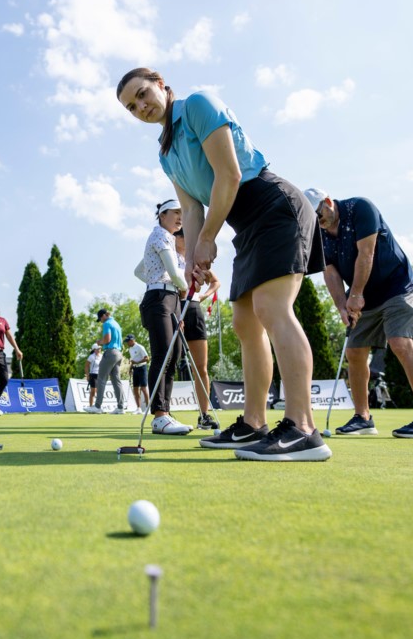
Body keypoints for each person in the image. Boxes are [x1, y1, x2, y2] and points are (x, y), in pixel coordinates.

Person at [117, 68, 331, 461]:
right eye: (132, 107)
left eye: (144, 95)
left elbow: (229, 175)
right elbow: (191, 209)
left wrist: (209, 240)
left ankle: (303, 429)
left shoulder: (198, 105)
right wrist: (192, 261)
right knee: (245, 323)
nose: (141, 107)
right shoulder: (166, 153)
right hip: (245, 224)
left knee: (272, 309)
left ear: (162, 85)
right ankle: (253, 424)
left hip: (273, 205)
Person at [306, 189, 413, 439]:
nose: (319, 222)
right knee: (354, 351)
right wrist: (341, 306)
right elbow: (330, 272)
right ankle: (363, 418)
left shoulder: (360, 208)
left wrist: (357, 294)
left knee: (400, 344)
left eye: (319, 215)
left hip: (396, 285)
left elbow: (366, 253)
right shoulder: (318, 233)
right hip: (362, 293)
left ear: (328, 202)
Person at [133, 200, 196, 434]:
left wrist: (170, 284)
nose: (181, 217)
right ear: (162, 215)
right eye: (176, 213)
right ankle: (159, 415)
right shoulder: (159, 234)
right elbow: (172, 271)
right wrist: (179, 284)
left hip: (171, 301)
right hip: (158, 300)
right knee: (163, 353)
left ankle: (165, 413)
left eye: (182, 213)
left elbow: (139, 271)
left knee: (175, 353)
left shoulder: (167, 239)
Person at [173, 227, 221, 430]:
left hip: (193, 309)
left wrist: (202, 296)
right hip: (174, 307)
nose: (184, 237)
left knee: (200, 367)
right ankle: (163, 413)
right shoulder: (169, 256)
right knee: (169, 363)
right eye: (180, 234)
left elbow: (216, 282)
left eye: (185, 233)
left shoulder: (195, 260)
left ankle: (204, 415)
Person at [91, 309, 125, 414]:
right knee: (116, 380)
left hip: (110, 352)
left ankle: (97, 407)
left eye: (100, 319)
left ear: (103, 316)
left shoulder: (106, 323)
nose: (101, 321)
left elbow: (107, 340)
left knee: (101, 378)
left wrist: (99, 342)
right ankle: (120, 407)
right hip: (118, 353)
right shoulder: (116, 324)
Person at [124, 334, 149, 411]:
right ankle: (138, 408)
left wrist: (137, 362)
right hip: (135, 369)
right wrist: (130, 368)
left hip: (142, 368)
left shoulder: (140, 347)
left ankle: (148, 408)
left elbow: (147, 358)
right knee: (135, 389)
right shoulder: (130, 349)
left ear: (132, 340)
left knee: (143, 388)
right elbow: (133, 360)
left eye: (128, 341)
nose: (127, 343)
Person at [84, 344, 102, 411]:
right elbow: (86, 366)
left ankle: (98, 407)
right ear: (94, 350)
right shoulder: (91, 357)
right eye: (97, 349)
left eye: (100, 348)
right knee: (93, 392)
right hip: (93, 375)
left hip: (100, 375)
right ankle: (91, 406)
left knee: (99, 392)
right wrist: (87, 375)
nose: (99, 350)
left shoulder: (101, 356)